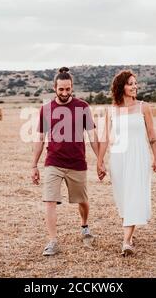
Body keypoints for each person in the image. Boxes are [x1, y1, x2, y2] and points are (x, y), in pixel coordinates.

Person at [31, 67, 103, 256]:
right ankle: (53, 241)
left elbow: (92, 137)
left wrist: (100, 161)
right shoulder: (46, 109)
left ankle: (85, 226)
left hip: (77, 162)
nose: (64, 93)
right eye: (61, 89)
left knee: (83, 201)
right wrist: (33, 165)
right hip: (53, 161)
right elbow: (39, 138)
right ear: (54, 87)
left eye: (68, 89)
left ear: (72, 87)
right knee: (50, 200)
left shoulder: (83, 107)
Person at [97, 70, 156, 256]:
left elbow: (152, 135)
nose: (134, 86)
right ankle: (130, 233)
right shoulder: (111, 111)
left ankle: (126, 242)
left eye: (135, 83)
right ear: (121, 87)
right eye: (130, 83)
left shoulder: (144, 107)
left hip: (139, 157)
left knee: (134, 196)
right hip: (118, 159)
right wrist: (99, 162)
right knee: (123, 199)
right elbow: (104, 139)